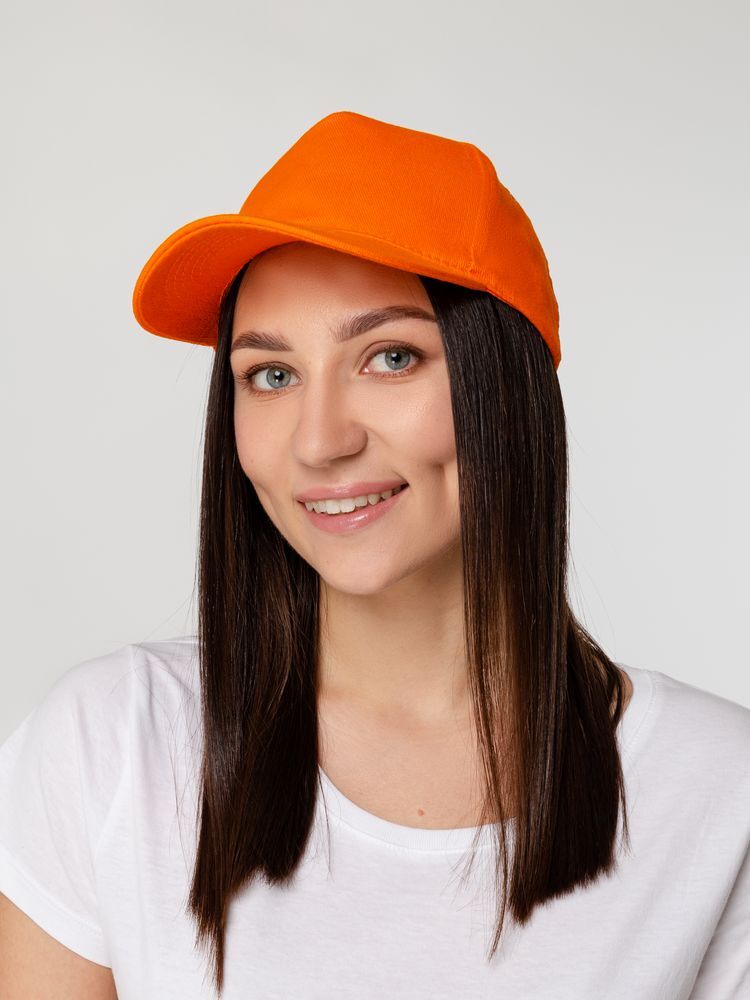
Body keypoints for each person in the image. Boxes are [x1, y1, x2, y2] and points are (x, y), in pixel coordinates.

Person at [0, 110, 748, 1000]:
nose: (319, 441)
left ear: (505, 386)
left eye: (390, 357)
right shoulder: (113, 744)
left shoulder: (719, 788)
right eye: (271, 375)